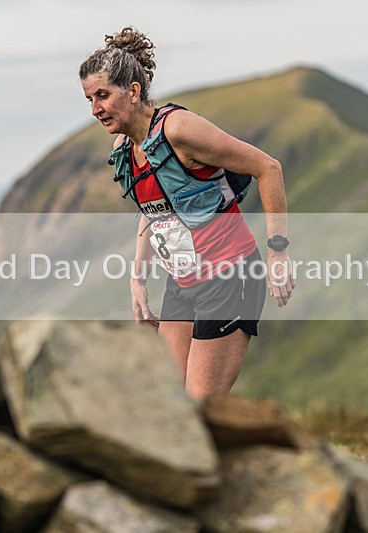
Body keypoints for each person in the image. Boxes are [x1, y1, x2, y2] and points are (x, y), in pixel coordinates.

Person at [79, 27, 294, 399]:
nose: (96, 109)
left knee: (201, 407)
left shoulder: (178, 129)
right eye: (89, 99)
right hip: (182, 284)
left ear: (132, 90)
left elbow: (268, 168)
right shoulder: (125, 149)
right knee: (167, 401)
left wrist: (277, 252)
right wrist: (138, 279)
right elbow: (153, 212)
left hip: (230, 277)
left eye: (103, 95)